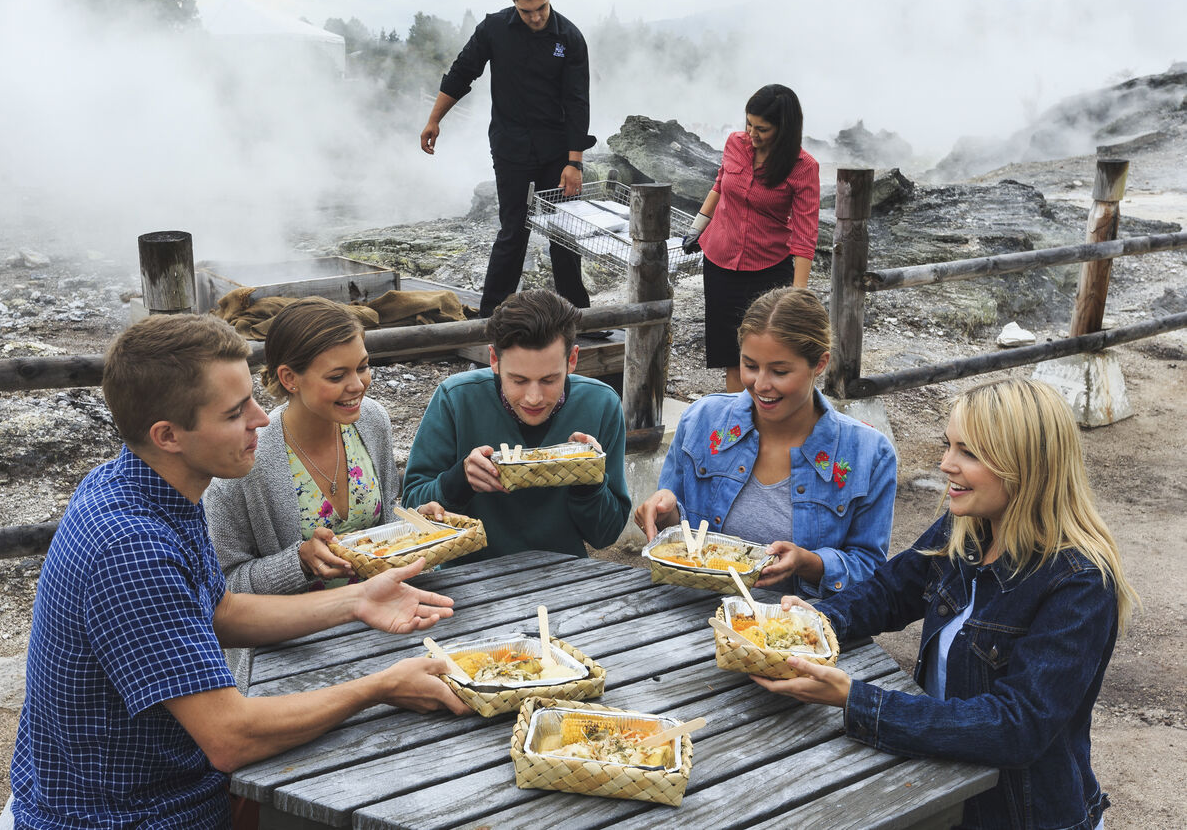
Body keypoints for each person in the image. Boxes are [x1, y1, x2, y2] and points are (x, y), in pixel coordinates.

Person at [5, 314, 466, 829]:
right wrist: (380, 686)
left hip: (149, 790)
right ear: (168, 435)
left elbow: (219, 610)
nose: (261, 419)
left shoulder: (138, 484)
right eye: (235, 412)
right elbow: (230, 738)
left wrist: (355, 600)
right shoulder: (132, 549)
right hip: (135, 815)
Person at [757, 378, 1139, 830]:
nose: (945, 464)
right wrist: (817, 620)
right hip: (943, 786)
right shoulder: (968, 527)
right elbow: (890, 591)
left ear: (1026, 466)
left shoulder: (1081, 583)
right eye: (949, 445)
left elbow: (1016, 726)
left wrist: (856, 700)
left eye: (968, 452)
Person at [635, 288, 895, 598]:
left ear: (820, 363)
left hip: (796, 623)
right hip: (692, 610)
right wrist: (665, 515)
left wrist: (810, 563)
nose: (760, 385)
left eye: (779, 371)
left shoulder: (869, 454)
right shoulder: (702, 421)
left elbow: (870, 569)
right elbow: (681, 536)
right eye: (750, 366)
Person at [204, 297, 398, 691]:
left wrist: (420, 525)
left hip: (382, 627)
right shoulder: (244, 460)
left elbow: (387, 520)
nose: (357, 385)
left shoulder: (372, 421)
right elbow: (223, 593)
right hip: (287, 656)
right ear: (290, 378)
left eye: (363, 367)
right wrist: (299, 563)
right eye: (337, 376)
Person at [402, 289, 630, 560]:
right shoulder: (456, 399)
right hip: (469, 576)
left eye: (548, 380)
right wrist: (459, 480)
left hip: (565, 574)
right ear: (494, 360)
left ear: (572, 360)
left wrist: (589, 481)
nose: (534, 397)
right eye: (518, 380)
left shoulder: (601, 404)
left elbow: (606, 535)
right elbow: (411, 509)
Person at [419, 0, 596, 318]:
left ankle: (577, 314)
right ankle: (492, 315)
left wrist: (574, 163)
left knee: (564, 233)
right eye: (526, 11)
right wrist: (434, 119)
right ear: (514, 2)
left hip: (557, 150)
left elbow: (578, 101)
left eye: (541, 8)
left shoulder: (570, 37)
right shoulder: (494, 29)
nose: (535, 17)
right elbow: (462, 72)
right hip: (511, 146)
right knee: (514, 230)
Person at [680, 84, 820, 392]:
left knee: (770, 356)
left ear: (784, 129)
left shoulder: (803, 167)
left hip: (767, 271)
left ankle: (769, 414)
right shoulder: (735, 143)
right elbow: (720, 185)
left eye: (762, 129)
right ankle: (738, 417)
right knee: (733, 356)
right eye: (749, 124)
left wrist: (797, 295)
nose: (751, 134)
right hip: (720, 263)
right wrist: (697, 227)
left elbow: (805, 233)